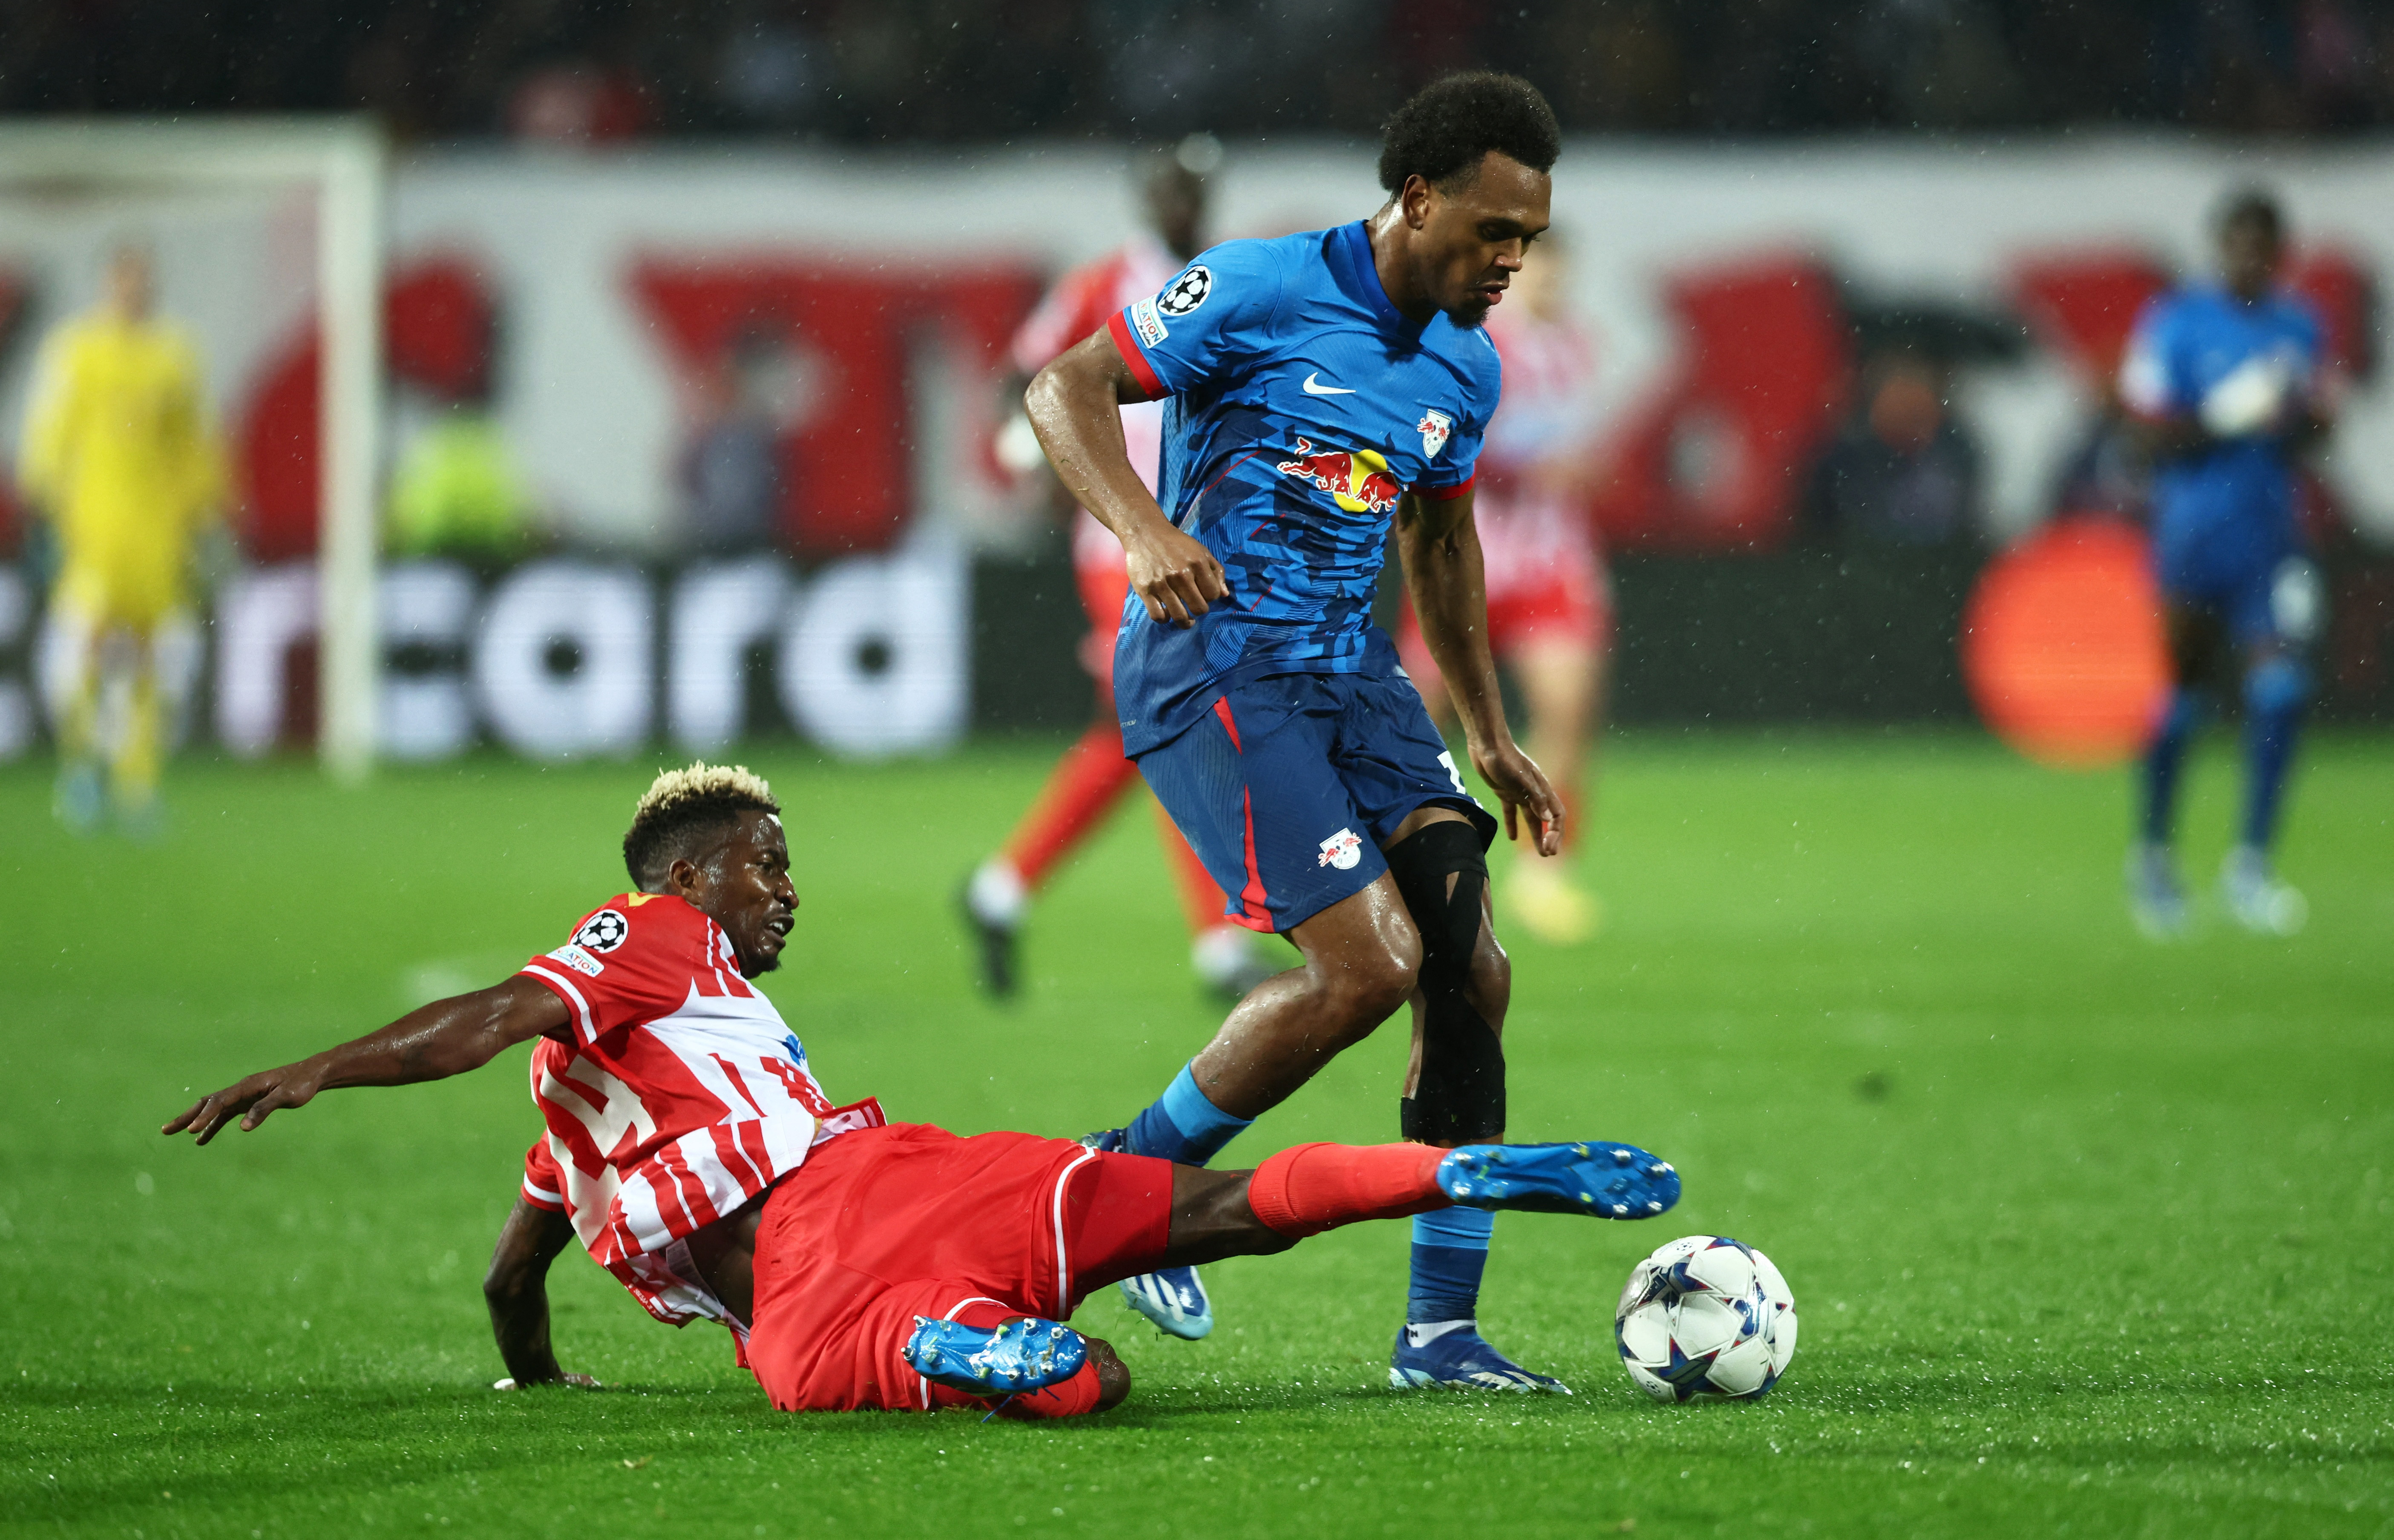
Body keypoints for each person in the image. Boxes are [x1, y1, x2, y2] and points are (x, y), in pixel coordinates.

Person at [162, 762, 1680, 1416]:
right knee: (1222, 1217)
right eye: (770, 860)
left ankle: (968, 1347)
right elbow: (495, 1010)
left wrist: (540, 1382)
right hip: (885, 1181)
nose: (786, 890)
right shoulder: (656, 936)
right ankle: (1451, 1170)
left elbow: (513, 1282)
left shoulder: (582, 1143)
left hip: (814, 1324)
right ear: (691, 875)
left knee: (1092, 1384)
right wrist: (326, 1064)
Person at [1025, 72, 1580, 1390]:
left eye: (1530, 240)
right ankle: (1127, 1182)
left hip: (1351, 677)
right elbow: (1065, 386)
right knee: (1365, 967)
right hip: (1213, 665)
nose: (1509, 261)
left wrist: (1490, 730)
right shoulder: (1259, 287)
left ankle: (1440, 1334)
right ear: (1418, 196)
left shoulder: (1465, 360)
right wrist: (1144, 530)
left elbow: (1440, 542)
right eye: (1492, 231)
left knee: (1471, 970)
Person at [961, 136, 1275, 1005]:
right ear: (1148, 198)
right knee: (1189, 715)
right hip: (1122, 541)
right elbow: (1024, 380)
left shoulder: (1233, 278)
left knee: (1138, 733)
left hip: (1206, 533)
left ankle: (1002, 885)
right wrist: (1028, 451)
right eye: (1168, 189)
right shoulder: (1103, 284)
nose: (1180, 203)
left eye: (1193, 189)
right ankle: (1222, 943)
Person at [2118, 188, 2331, 939]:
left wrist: (2307, 420)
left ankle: (2251, 868)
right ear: (2219, 247)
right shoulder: (2176, 324)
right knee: (2184, 695)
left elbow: (2312, 438)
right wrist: (2227, 414)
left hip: (2273, 536)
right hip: (2195, 535)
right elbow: (2145, 439)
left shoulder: (2302, 326)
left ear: (2280, 253)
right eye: (2238, 242)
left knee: (2281, 690)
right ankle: (2153, 859)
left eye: (2263, 244)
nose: (2250, 256)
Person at [1394, 232, 1611, 945]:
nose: (1548, 280)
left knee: (1568, 713)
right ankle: (1393, 858)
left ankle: (1544, 873)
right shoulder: (1478, 345)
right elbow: (1451, 445)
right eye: (1538, 266)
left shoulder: (1583, 346)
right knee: (1416, 721)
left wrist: (1582, 471)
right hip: (1473, 559)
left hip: (1556, 563)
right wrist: (1529, 469)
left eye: (1560, 268)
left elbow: (1586, 449)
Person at [17, 242, 225, 833]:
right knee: (85, 647)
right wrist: (45, 509)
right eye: (124, 282)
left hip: (156, 533)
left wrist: (204, 514)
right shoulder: (77, 352)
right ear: (108, 286)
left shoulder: (176, 357)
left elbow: (195, 445)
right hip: (93, 528)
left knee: (152, 659)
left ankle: (138, 782)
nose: (134, 292)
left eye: (142, 282)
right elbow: (48, 436)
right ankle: (82, 767)